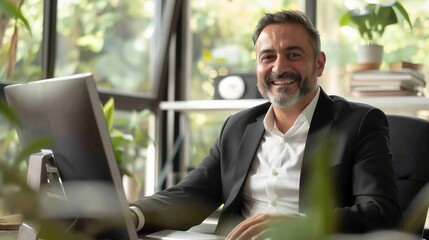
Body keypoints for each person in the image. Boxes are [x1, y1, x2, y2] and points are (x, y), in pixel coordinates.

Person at [130, 9, 402, 239]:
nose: (279, 67)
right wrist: (131, 215)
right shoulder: (238, 127)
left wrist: (298, 223)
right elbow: (191, 195)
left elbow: (381, 212)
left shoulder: (360, 122)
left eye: (293, 55)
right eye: (268, 56)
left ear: (318, 64)